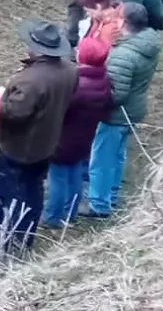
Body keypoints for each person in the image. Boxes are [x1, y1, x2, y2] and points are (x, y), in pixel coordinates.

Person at [0, 20, 78, 250]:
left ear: (39, 49)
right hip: (46, 143)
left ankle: (7, 237)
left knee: (10, 193)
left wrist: (0, 98)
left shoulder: (30, 80)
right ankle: (27, 234)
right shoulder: (70, 69)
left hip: (19, 148)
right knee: (34, 190)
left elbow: (14, 114)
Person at [86, 3, 161, 218]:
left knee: (102, 158)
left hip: (117, 114)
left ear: (124, 22)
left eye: (118, 17)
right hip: (134, 110)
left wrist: (94, 99)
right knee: (117, 155)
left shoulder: (123, 55)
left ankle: (99, 204)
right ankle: (111, 193)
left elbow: (116, 93)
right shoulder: (149, 43)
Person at [43, 37, 113, 229]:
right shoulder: (105, 81)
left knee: (57, 178)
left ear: (82, 55)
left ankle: (52, 217)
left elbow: (59, 110)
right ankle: (71, 212)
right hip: (84, 139)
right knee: (74, 175)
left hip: (62, 140)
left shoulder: (76, 84)